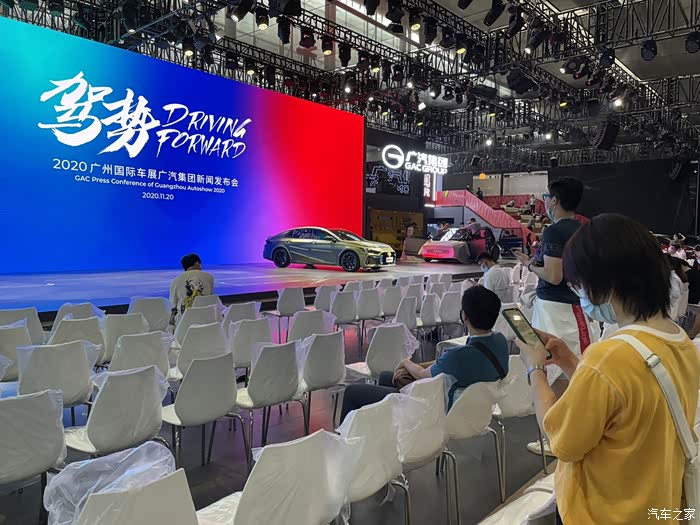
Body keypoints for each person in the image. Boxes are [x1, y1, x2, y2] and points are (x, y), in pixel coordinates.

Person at [517, 213, 700, 524]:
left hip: (604, 514)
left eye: (580, 285)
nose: (581, 294)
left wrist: (535, 368)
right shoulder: (679, 340)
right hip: (655, 508)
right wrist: (571, 363)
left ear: (605, 284)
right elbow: (625, 404)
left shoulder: (608, 357)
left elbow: (562, 441)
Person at [339, 286, 509, 420]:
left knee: (352, 392)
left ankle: (347, 445)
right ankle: (391, 430)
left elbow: (422, 375)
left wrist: (406, 362)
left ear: (464, 316)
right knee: (386, 376)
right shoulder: (500, 342)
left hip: (437, 410)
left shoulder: (458, 357)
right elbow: (446, 365)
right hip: (476, 411)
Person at [169, 253, 214, 324]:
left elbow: (172, 306)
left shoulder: (176, 281)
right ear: (197, 263)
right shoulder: (209, 277)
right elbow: (210, 298)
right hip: (207, 321)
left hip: (184, 324)